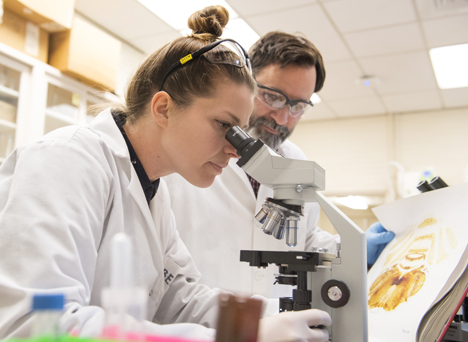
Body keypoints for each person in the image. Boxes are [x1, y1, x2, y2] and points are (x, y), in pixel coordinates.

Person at [0, 7, 333, 342]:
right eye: (224, 126)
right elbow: (30, 335)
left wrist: (266, 321)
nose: (236, 149)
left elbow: (178, 296)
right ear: (163, 107)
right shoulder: (63, 163)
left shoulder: (152, 188)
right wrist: (240, 341)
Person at [164, 31, 395, 298]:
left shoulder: (295, 161)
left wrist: (355, 247)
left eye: (298, 107)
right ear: (245, 81)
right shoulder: (189, 153)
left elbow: (305, 241)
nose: (283, 118)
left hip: (276, 327)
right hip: (194, 327)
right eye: (273, 97)